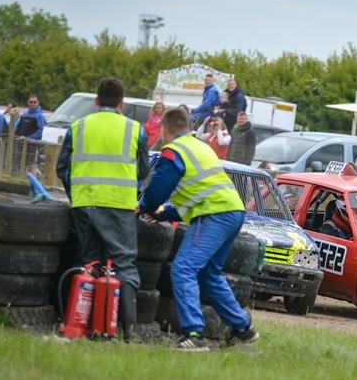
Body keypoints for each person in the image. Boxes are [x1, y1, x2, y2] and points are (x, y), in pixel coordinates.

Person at [137, 107, 259, 351]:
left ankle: (194, 334)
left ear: (164, 129)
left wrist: (144, 206)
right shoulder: (200, 146)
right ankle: (242, 328)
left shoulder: (174, 151)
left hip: (212, 214)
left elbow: (159, 188)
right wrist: (164, 213)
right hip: (232, 211)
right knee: (208, 274)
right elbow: (196, 191)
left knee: (183, 268)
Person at [55, 77, 149, 341]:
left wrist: (78, 195)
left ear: (96, 101)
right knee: (124, 264)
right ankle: (128, 331)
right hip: (119, 205)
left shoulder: (77, 126)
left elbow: (62, 168)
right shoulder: (136, 129)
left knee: (88, 262)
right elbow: (142, 169)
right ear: (122, 103)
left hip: (84, 204)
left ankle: (81, 325)